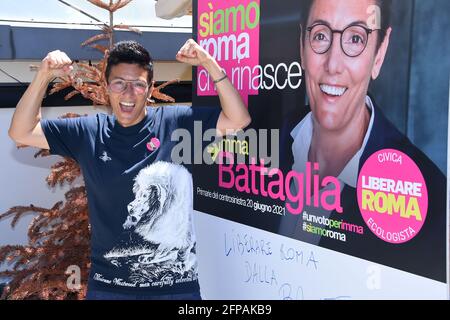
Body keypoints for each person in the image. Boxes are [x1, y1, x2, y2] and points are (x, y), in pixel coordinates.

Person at [8, 39, 250, 300]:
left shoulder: (177, 124)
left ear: (150, 89)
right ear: (106, 87)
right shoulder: (89, 132)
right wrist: (43, 76)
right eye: (119, 83)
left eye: (138, 84)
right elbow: (20, 132)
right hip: (109, 289)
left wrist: (208, 64)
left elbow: (238, 118)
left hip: (174, 289)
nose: (128, 93)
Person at [279, 0, 446, 282]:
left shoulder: (431, 202)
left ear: (379, 54)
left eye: (355, 38)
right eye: (320, 35)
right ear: (302, 45)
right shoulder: (270, 140)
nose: (333, 65)